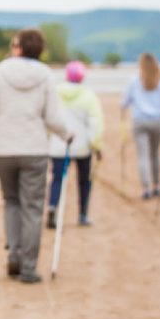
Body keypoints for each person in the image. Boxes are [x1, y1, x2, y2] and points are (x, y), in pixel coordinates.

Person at [0, 29, 70, 284]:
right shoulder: (45, 75)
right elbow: (53, 118)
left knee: (11, 201)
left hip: (2, 148)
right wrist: (66, 134)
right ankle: (28, 267)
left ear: (17, 48)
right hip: (34, 148)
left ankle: (14, 254)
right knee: (32, 208)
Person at [46, 61, 104, 228]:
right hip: (82, 146)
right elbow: (95, 123)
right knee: (84, 180)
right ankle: (83, 213)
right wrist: (96, 145)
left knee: (57, 178)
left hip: (58, 144)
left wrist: (48, 138)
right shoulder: (88, 96)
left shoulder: (55, 93)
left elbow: (49, 118)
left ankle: (52, 207)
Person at [120, 52, 160, 200]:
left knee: (143, 156)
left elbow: (124, 102)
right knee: (155, 154)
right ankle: (157, 186)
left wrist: (125, 107)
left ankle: (146, 188)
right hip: (156, 121)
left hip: (139, 121)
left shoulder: (133, 80)